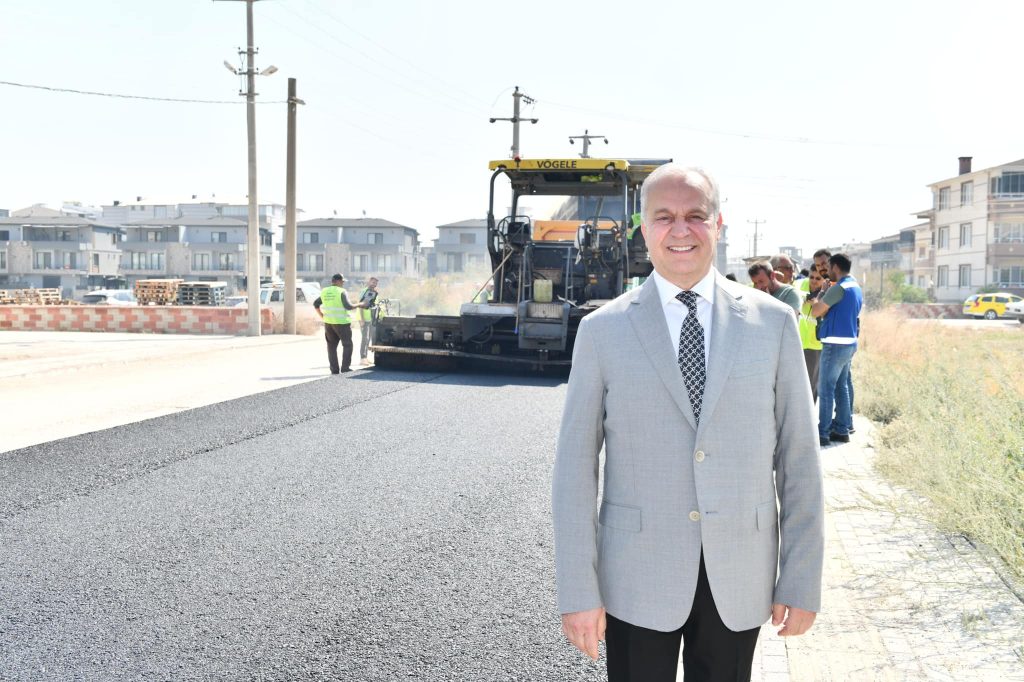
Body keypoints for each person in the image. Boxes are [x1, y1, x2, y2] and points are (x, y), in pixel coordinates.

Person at [553, 163, 824, 682]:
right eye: (664, 216)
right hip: (635, 575)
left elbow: (799, 460)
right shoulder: (601, 331)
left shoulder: (773, 324)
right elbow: (573, 472)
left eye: (696, 216)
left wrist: (801, 578)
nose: (681, 229)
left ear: (719, 224)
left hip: (740, 574)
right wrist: (578, 590)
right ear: (644, 230)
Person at [811, 253, 862, 447]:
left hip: (833, 344)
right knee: (842, 387)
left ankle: (822, 433)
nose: (827, 270)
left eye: (829, 267)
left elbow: (817, 311)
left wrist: (822, 293)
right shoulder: (855, 286)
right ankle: (842, 429)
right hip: (849, 343)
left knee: (826, 389)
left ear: (836, 268)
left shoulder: (838, 288)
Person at [313, 274, 365, 374]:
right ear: (336, 281)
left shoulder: (324, 291)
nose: (343, 283)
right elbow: (348, 306)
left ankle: (334, 370)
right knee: (347, 345)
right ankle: (345, 368)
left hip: (329, 324)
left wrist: (322, 316)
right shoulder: (341, 291)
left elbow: (316, 304)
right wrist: (361, 304)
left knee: (331, 347)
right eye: (342, 281)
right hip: (342, 323)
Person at [799, 268, 826, 402]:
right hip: (797, 342)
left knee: (811, 384)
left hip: (814, 346)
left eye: (818, 278)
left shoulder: (826, 293)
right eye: (812, 277)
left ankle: (809, 416)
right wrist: (802, 298)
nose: (814, 281)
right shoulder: (801, 285)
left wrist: (816, 303)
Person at [357, 277, 380, 365]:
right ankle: (362, 358)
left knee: (368, 339)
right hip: (364, 319)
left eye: (376, 283)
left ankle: (365, 357)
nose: (374, 284)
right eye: (373, 282)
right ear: (369, 282)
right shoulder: (365, 291)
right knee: (365, 338)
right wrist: (362, 319)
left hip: (370, 319)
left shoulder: (374, 293)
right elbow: (360, 305)